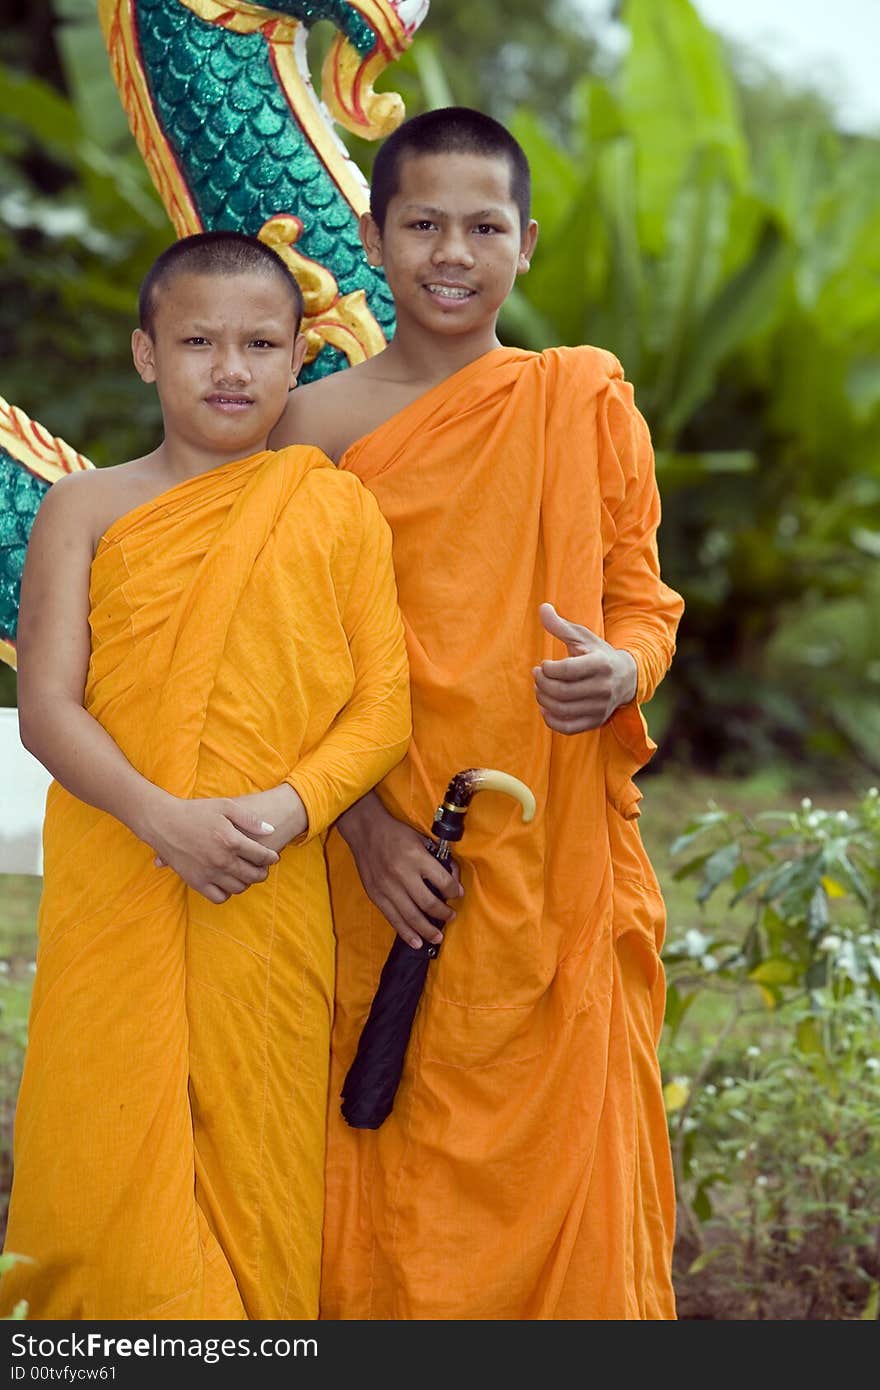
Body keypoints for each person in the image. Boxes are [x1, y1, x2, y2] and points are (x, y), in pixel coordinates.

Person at [270, 107, 685, 1320]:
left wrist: (622, 669)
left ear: (527, 242)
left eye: (483, 226)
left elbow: (639, 598)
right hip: (380, 853)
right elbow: (276, 668)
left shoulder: (580, 400)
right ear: (373, 233)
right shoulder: (309, 426)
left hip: (552, 855)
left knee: (566, 1145)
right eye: (424, 224)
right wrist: (360, 829)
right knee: (379, 1136)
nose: (453, 251)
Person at [0, 231, 411, 1321]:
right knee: (107, 1149)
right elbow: (47, 709)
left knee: (258, 1165)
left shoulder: (333, 508)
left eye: (260, 344)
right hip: (124, 870)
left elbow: (382, 708)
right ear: (146, 354)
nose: (230, 368)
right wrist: (161, 820)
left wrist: (291, 808)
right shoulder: (84, 510)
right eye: (197, 341)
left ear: (296, 362)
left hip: (268, 883)